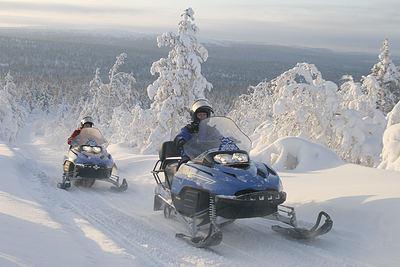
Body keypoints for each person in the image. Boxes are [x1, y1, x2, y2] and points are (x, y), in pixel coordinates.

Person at [174, 99, 214, 165]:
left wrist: (229, 140)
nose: (202, 117)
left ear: (208, 116)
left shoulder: (211, 130)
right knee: (184, 166)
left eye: (204, 115)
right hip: (191, 157)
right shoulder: (189, 129)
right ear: (195, 116)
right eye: (200, 115)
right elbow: (181, 136)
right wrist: (180, 140)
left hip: (209, 157)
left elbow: (219, 137)